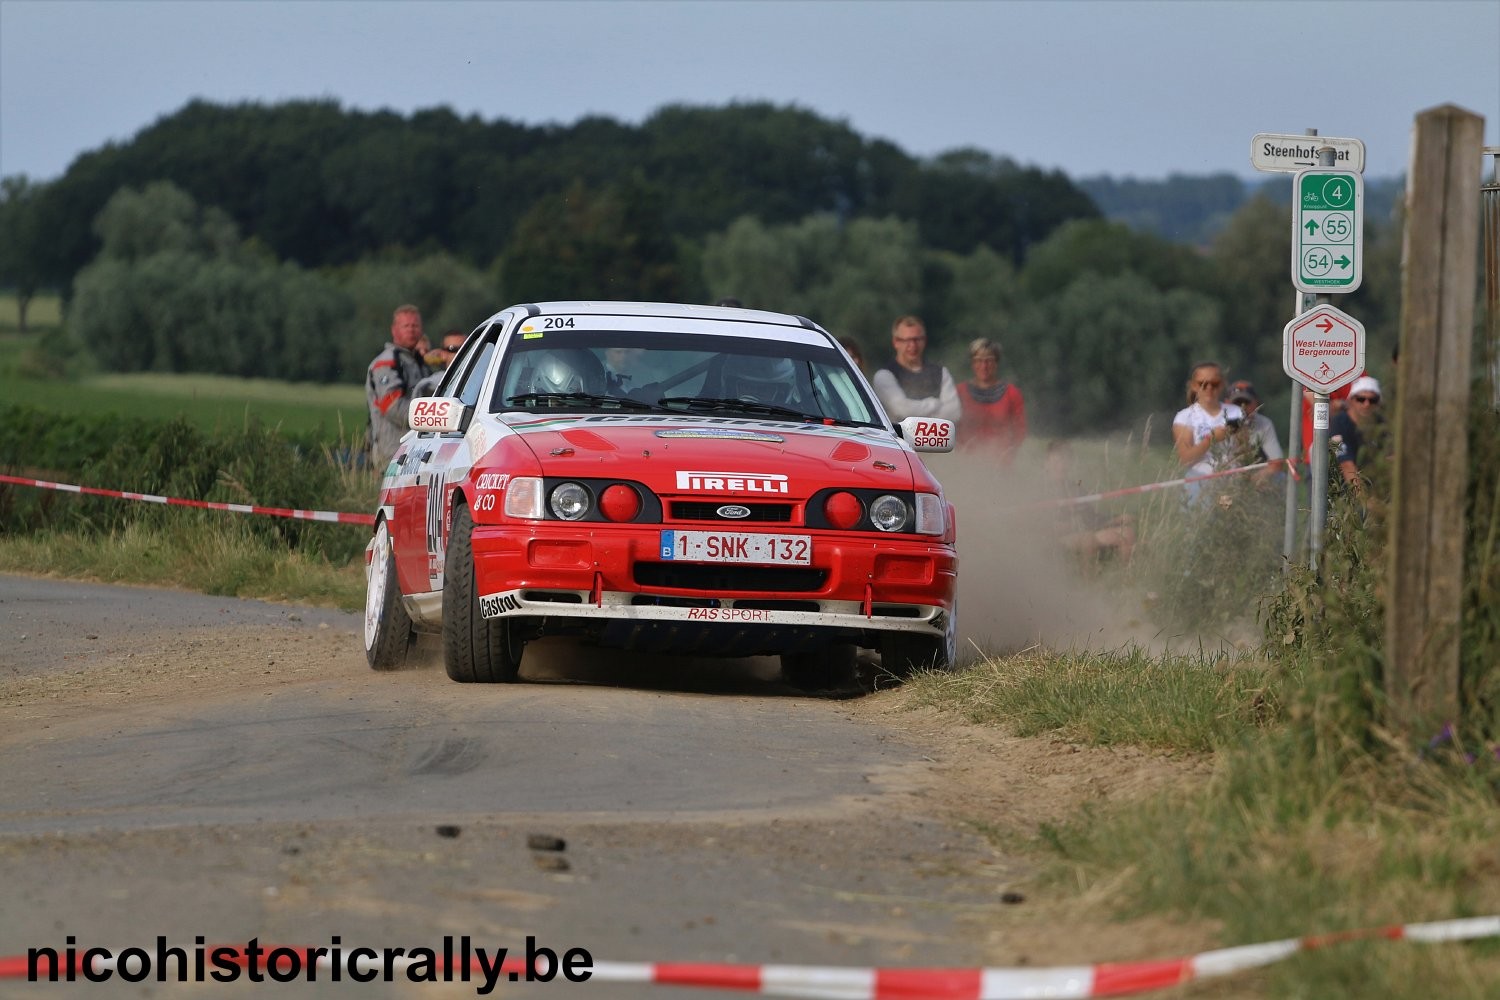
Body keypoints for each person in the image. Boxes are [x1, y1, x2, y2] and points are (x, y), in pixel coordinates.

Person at [1045, 440, 1135, 570]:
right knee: (1088, 539)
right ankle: (1088, 586)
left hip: (1084, 531)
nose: (1061, 466)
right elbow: (1035, 522)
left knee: (1127, 532)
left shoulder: (1076, 488)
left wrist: (1117, 518)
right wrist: (1060, 526)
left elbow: (1091, 517)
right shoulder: (1040, 489)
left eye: (1065, 461)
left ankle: (1125, 579)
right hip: (1059, 538)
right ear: (1047, 463)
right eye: (1057, 462)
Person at [1171, 361, 1247, 503]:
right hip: (1199, 482)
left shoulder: (1235, 413)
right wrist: (1211, 439)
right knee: (1200, 523)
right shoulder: (1184, 417)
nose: (1209, 388)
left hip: (1230, 481)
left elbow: (1245, 453)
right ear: (1194, 386)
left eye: (1215, 384)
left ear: (1222, 384)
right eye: (1203, 384)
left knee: (1227, 519)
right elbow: (1185, 459)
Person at [366, 304, 432, 466]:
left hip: (415, 453)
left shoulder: (420, 363)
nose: (411, 330)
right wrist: (430, 417)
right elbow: (392, 406)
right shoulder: (386, 363)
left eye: (415, 326)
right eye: (406, 326)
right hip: (393, 454)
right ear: (394, 330)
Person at [870, 315, 961, 425]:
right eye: (907, 340)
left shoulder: (941, 373)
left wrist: (916, 410)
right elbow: (901, 409)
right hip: (899, 440)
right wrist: (934, 404)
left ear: (925, 340)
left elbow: (954, 412)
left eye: (917, 339)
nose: (912, 345)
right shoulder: (884, 376)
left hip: (936, 441)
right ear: (896, 342)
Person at [956, 337, 1026, 464]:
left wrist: (1008, 453)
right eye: (978, 361)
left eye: (989, 360)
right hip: (967, 462)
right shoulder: (959, 393)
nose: (984, 366)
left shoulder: (1012, 393)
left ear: (997, 362)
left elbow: (1019, 430)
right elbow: (952, 428)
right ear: (972, 363)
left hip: (1002, 464)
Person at [1328, 375, 1385, 494]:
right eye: (1361, 399)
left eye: (1372, 400)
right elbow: (1346, 465)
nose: (1366, 404)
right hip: (1341, 491)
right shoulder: (1336, 424)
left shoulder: (1382, 424)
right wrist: (1365, 502)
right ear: (1351, 400)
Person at [1226, 380, 1286, 483]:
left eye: (1246, 403)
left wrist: (1258, 477)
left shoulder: (1264, 423)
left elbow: (1277, 463)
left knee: (1280, 477)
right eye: (1237, 403)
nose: (1242, 408)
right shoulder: (1219, 424)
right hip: (1229, 477)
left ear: (1256, 403)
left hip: (1256, 477)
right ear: (1226, 404)